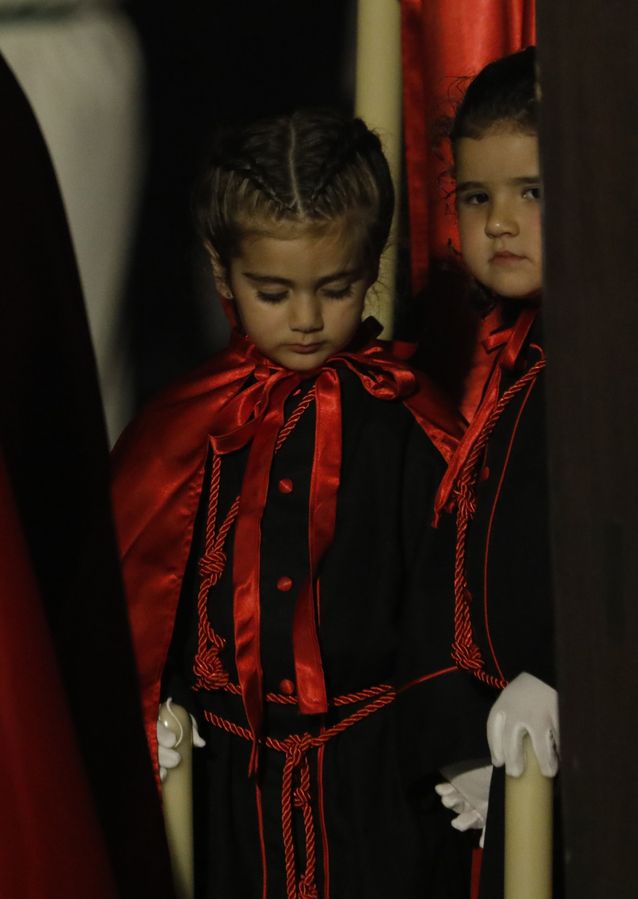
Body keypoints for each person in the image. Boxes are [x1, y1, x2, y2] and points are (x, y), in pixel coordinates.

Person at [112, 108, 475, 898]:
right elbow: (142, 576)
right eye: (273, 293)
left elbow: (447, 597)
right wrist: (159, 697)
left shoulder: (412, 428)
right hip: (229, 788)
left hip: (375, 785)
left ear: (371, 263)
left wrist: (457, 737)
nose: (307, 320)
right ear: (222, 273)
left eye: (338, 289)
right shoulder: (185, 430)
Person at [426, 46, 559, 897]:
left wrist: (564, 675)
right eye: (478, 197)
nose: (500, 222)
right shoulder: (503, 361)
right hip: (504, 752)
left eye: (531, 193)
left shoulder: (599, 374)